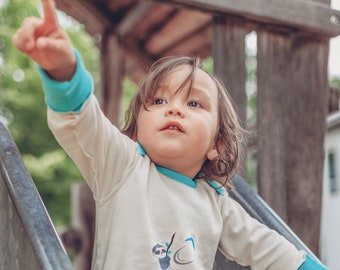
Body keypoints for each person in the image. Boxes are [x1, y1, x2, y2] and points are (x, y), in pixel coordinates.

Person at [12, 0, 329, 269]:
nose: (174, 109)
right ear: (136, 132)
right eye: (159, 101)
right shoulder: (123, 168)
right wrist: (63, 70)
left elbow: (268, 248)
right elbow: (81, 121)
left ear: (216, 144)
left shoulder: (215, 203)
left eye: (193, 103)